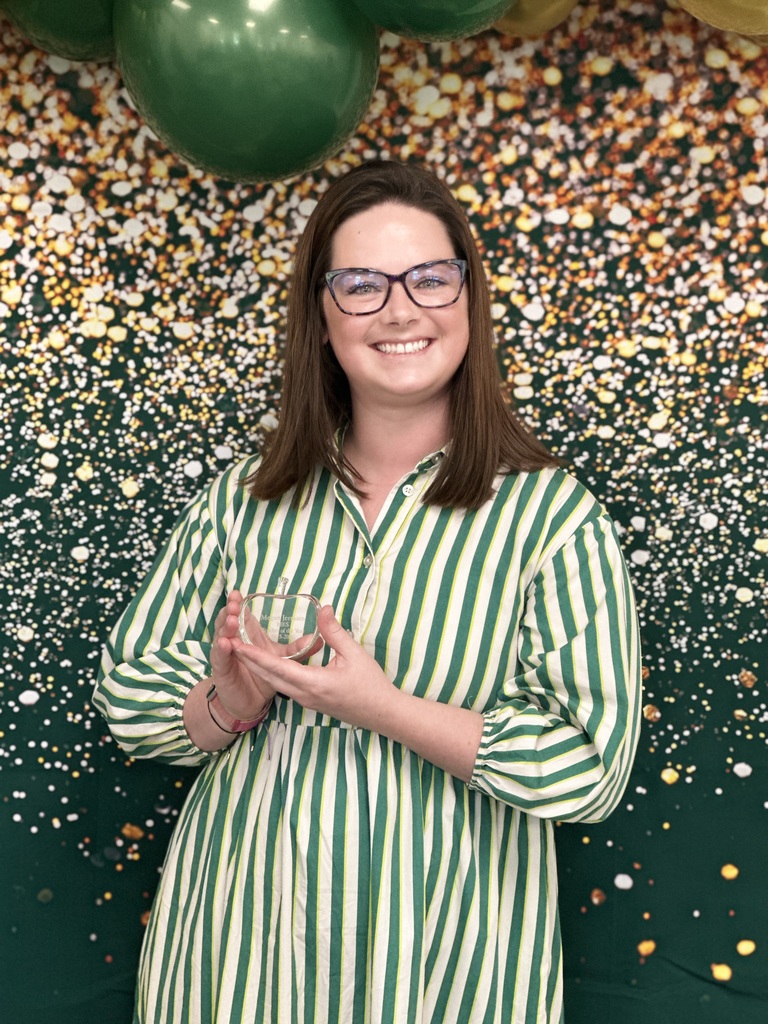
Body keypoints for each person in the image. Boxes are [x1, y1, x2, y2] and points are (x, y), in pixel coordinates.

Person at [94, 160, 642, 1024]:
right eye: (360, 284)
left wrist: (381, 706)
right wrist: (227, 701)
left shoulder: (552, 517)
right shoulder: (247, 500)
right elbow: (130, 699)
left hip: (448, 963)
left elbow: (589, 769)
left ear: (468, 300)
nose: (400, 308)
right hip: (236, 955)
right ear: (320, 314)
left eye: (430, 277)